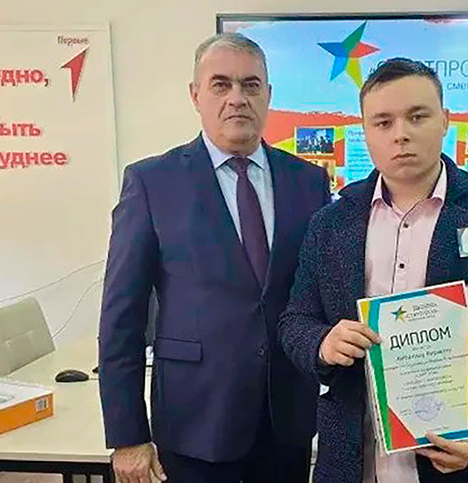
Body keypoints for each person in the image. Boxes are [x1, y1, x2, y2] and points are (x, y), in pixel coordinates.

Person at [278, 58, 468, 482]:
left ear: (445, 120)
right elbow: (295, 319)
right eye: (383, 122)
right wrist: (322, 343)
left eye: (417, 116)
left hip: (463, 464)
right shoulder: (331, 223)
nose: (400, 134)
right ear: (366, 131)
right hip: (352, 462)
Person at [99, 32, 330, 483]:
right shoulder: (152, 183)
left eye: (250, 85)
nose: (236, 98)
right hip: (193, 422)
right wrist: (128, 436)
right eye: (221, 84)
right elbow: (121, 317)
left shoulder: (308, 182)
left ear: (268, 95)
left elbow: (321, 294)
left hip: (286, 420)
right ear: (195, 95)